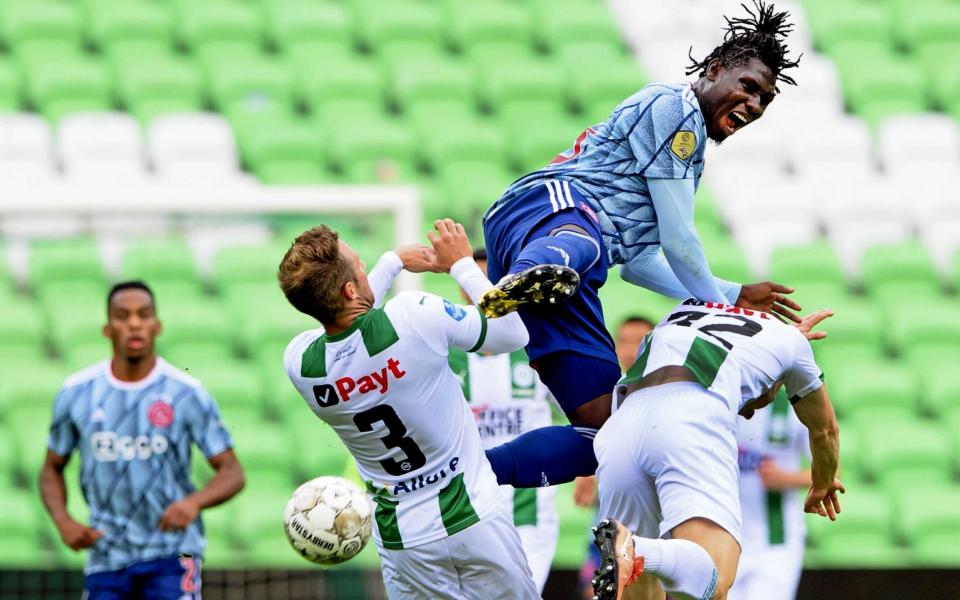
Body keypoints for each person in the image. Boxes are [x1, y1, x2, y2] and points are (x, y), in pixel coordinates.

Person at [477, 0, 805, 490]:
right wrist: (726, 313)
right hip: (546, 212)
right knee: (581, 239)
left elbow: (640, 263)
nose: (754, 105)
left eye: (764, 100)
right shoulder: (676, 108)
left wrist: (733, 293)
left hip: (571, 273)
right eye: (749, 87)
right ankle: (534, 272)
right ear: (715, 70)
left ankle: (464, 475)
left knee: (604, 433)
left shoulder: (686, 156)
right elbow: (679, 240)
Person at [280, 220, 540, 600]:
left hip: (404, 542)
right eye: (360, 263)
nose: (367, 266)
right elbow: (513, 333)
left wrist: (392, 262)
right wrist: (462, 264)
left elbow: (349, 320)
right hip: (474, 518)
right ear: (351, 287)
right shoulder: (414, 314)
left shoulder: (300, 363)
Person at [589, 299, 843, 600]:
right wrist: (822, 482)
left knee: (634, 583)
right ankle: (638, 547)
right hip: (688, 416)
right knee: (715, 580)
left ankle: (631, 547)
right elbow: (825, 429)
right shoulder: (790, 343)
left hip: (620, 426)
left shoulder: (681, 311)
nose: (747, 414)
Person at [40, 281, 245, 600]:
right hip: (106, 555)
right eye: (123, 315)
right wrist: (63, 520)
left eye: (143, 314)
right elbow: (52, 467)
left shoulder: (186, 393)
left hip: (174, 553)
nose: (134, 323)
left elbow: (232, 472)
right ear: (108, 329)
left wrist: (193, 503)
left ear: (157, 325)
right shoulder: (76, 393)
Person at [448, 248, 559, 592]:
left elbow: (576, 405)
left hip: (529, 504)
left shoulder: (536, 347)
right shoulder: (443, 354)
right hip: (466, 504)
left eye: (490, 282)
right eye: (474, 283)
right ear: (462, 291)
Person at [577, 316, 655, 598]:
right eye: (624, 341)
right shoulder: (608, 393)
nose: (630, 350)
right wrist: (587, 471)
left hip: (657, 513)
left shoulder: (666, 392)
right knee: (599, 588)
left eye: (640, 342)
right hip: (612, 513)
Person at [727, 389, 811, 600]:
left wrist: (785, 479)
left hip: (776, 544)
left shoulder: (793, 407)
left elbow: (832, 472)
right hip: (729, 540)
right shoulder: (725, 400)